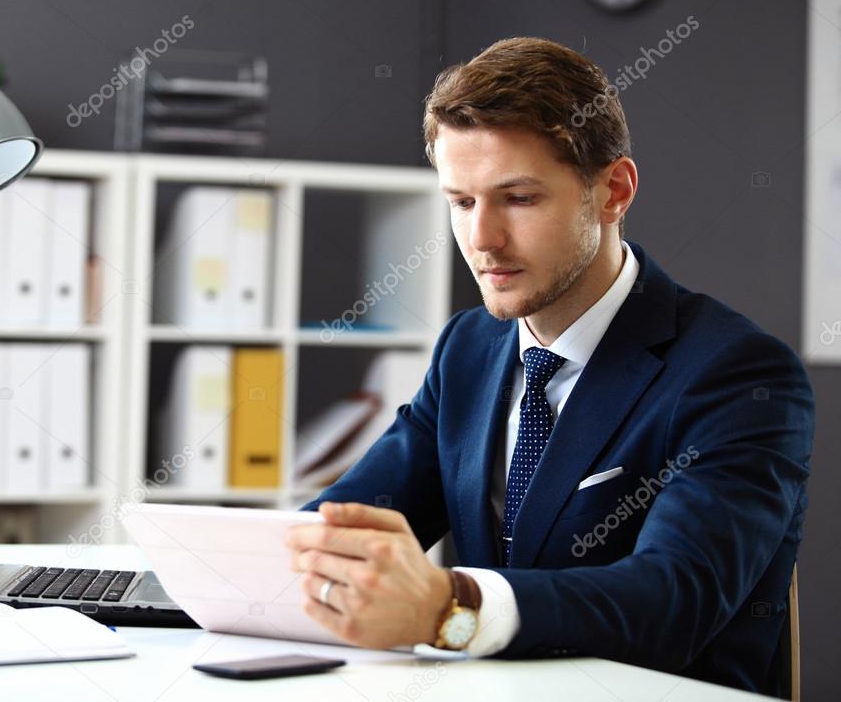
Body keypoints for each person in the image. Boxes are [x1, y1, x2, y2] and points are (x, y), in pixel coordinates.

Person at [286, 37, 814, 698]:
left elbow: (672, 599)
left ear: (613, 191)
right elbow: (347, 520)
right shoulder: (470, 347)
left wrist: (451, 603)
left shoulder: (737, 373)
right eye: (462, 201)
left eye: (519, 198)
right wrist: (212, 566)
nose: (481, 239)